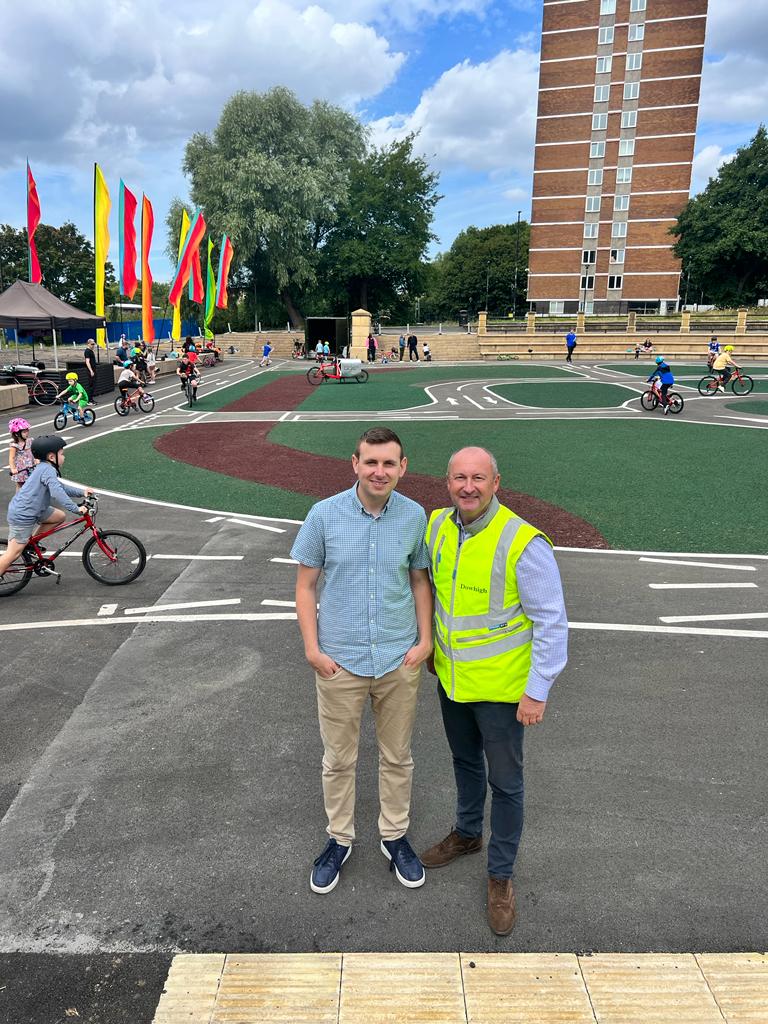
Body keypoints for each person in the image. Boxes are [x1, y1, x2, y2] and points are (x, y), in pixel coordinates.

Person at [420, 447, 567, 936]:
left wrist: (537, 690)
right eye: (459, 477)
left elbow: (551, 622)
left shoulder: (523, 542)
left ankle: (500, 876)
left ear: (496, 482)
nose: (468, 487)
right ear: (447, 483)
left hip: (504, 693)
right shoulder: (438, 525)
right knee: (464, 763)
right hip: (453, 680)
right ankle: (466, 834)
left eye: (478, 478)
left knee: (506, 785)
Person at [291, 427, 433, 896]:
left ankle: (394, 836)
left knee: (398, 757)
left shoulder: (415, 517)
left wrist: (423, 642)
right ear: (354, 463)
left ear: (402, 467)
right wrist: (313, 650)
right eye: (371, 462)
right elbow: (306, 585)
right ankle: (339, 839)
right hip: (340, 661)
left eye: (389, 463)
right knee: (338, 760)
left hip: (397, 659)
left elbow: (419, 582)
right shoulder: (324, 515)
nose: (379, 471)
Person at [0, 436, 93, 578]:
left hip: (35, 509)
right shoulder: (47, 470)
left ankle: (31, 544)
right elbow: (57, 492)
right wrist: (75, 508)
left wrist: (82, 492)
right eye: (61, 454)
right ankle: (23, 548)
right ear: (51, 456)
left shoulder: (45, 467)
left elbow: (60, 486)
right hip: (23, 514)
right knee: (12, 554)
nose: (64, 457)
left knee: (59, 516)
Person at [7, 418, 34, 492]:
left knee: (32, 483)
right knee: (20, 485)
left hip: (31, 466)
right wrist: (13, 469)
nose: (27, 433)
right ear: (16, 434)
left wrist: (37, 459)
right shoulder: (14, 445)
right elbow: (11, 458)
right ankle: (18, 500)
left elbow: (34, 451)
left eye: (27, 430)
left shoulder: (30, 441)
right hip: (20, 469)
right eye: (24, 432)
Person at [83, 338, 98, 403]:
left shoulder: (91, 351)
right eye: (92, 344)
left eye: (94, 344)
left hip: (93, 370)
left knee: (93, 385)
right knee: (91, 386)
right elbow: (87, 362)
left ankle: (91, 399)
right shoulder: (87, 351)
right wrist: (91, 370)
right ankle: (89, 400)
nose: (93, 345)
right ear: (88, 344)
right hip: (91, 371)